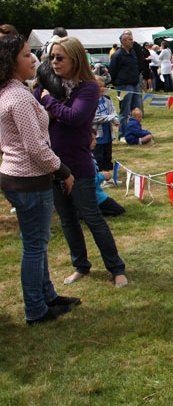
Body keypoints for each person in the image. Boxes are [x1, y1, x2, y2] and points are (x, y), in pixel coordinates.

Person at [34, 36, 128, 288]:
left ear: (75, 60)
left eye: (60, 57)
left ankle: (116, 268)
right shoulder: (46, 85)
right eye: (51, 57)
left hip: (78, 164)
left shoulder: (86, 88)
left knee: (93, 217)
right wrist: (54, 106)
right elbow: (46, 111)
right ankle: (81, 266)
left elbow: (75, 117)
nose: (54, 62)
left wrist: (49, 103)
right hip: (53, 164)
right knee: (67, 219)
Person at [0, 34, 80, 325]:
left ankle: (47, 295)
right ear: (10, 62)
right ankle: (36, 309)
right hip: (28, 180)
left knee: (35, 243)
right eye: (24, 55)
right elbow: (35, 147)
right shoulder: (19, 97)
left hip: (17, 177)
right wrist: (63, 171)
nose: (33, 59)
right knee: (34, 246)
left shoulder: (10, 91)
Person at [109, 31, 142, 141]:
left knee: (137, 109)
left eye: (132, 39)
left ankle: (135, 131)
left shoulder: (133, 52)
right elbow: (112, 71)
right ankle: (122, 134)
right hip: (124, 86)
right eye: (130, 40)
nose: (132, 41)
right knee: (125, 111)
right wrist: (116, 83)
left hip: (135, 84)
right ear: (123, 41)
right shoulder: (117, 55)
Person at [90, 129, 125, 217]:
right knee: (119, 211)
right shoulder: (85, 159)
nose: (96, 142)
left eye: (95, 139)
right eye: (92, 140)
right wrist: (102, 176)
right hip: (94, 196)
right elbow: (88, 181)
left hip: (97, 194)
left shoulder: (89, 154)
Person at [92, 75, 118, 171]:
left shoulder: (107, 99)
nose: (102, 89)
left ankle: (107, 175)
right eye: (99, 86)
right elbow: (94, 118)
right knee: (98, 157)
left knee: (107, 156)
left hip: (107, 134)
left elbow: (112, 111)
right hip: (97, 136)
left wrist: (115, 120)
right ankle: (100, 176)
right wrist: (111, 117)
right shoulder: (90, 101)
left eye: (103, 86)